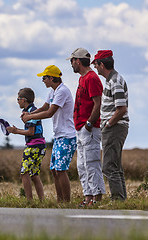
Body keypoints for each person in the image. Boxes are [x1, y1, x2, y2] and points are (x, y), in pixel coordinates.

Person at [22, 65, 77, 203]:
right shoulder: (53, 91)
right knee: (54, 170)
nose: (43, 80)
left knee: (60, 170)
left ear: (51, 78)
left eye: (44, 78)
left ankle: (66, 202)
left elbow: (49, 112)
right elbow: (43, 107)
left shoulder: (62, 91)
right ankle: (60, 201)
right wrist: (30, 113)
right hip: (59, 136)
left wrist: (30, 117)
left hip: (67, 135)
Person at [67, 48, 106, 207]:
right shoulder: (83, 78)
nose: (71, 64)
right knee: (82, 166)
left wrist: (89, 123)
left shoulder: (91, 78)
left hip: (88, 127)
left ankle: (97, 198)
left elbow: (98, 103)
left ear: (78, 61)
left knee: (92, 163)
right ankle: (88, 197)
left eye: (72, 61)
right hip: (80, 127)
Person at [92, 50, 129, 201]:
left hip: (115, 127)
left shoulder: (114, 81)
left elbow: (121, 108)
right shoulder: (112, 79)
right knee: (115, 166)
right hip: (115, 127)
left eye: (96, 64)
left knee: (109, 166)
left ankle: (117, 200)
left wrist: (108, 124)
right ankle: (121, 200)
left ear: (102, 64)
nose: (95, 67)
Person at [6, 88, 46, 201]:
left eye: (18, 99)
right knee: (34, 174)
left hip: (33, 146)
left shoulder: (31, 112)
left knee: (24, 173)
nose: (17, 101)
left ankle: (29, 200)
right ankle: (42, 201)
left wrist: (15, 131)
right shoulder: (33, 110)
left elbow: (31, 132)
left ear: (24, 100)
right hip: (40, 146)